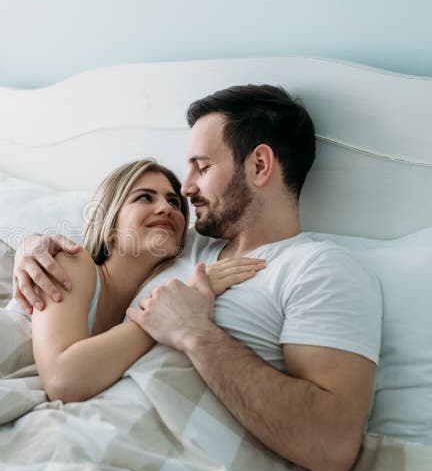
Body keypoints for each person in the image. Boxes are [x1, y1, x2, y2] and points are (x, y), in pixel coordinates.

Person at [11, 85, 381, 471]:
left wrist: (194, 333)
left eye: (201, 168)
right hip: (63, 440)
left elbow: (332, 447)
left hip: (136, 468)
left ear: (259, 165)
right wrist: (32, 248)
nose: (184, 192)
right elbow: (103, 245)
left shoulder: (318, 269)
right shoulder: (178, 246)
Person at [22, 159, 266, 404]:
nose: (167, 208)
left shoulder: (128, 309)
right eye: (144, 198)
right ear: (110, 225)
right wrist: (168, 316)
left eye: (174, 202)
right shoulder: (73, 263)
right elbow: (62, 381)